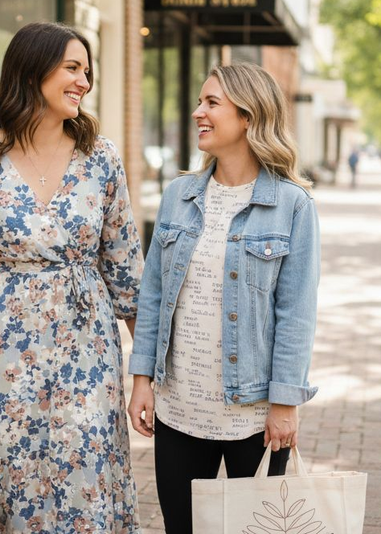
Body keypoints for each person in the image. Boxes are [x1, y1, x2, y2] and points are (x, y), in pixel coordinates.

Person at [0, 22, 144, 532]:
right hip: (1, 359)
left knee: (88, 474)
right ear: (32, 71)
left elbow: (125, 267)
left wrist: (148, 374)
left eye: (86, 72)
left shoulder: (101, 159)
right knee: (9, 479)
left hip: (88, 351)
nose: (83, 82)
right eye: (72, 68)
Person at [127, 62, 321, 533]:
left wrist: (285, 404)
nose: (198, 112)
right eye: (199, 101)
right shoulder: (178, 196)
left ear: (249, 117)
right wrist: (141, 379)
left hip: (253, 418)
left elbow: (296, 314)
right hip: (178, 410)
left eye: (212, 102)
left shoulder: (293, 205)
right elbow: (151, 294)